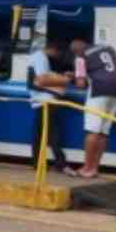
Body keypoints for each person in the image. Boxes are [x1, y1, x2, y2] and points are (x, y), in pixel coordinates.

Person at [73, 38, 116, 178]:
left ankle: (86, 168)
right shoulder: (110, 48)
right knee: (103, 132)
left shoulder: (80, 57)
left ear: (76, 50)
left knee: (92, 131)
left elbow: (80, 83)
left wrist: (72, 77)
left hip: (98, 91)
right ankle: (94, 168)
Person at [26, 39, 78, 176]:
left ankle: (37, 163)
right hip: (46, 101)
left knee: (40, 134)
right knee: (53, 134)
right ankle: (61, 164)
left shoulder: (39, 58)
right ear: (53, 49)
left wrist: (59, 76)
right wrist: (66, 80)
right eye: (59, 52)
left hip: (40, 101)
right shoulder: (41, 58)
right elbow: (42, 79)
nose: (59, 56)